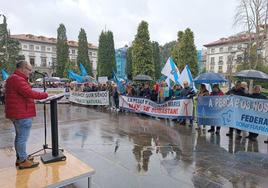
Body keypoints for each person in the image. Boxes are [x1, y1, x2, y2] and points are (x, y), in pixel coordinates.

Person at [5, 60, 48, 169]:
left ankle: (21, 157)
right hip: (21, 113)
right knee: (22, 138)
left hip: (19, 112)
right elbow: (29, 93)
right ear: (22, 68)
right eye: (29, 69)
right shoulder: (17, 79)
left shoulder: (15, 78)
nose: (30, 72)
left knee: (20, 137)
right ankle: (23, 160)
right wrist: (45, 95)